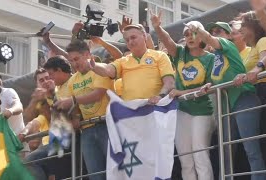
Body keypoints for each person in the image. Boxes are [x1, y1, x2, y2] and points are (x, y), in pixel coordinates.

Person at [187, 22, 266, 180]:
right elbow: (215, 79)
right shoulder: (214, 57)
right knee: (226, 153)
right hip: (226, 108)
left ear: (229, 35)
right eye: (212, 30)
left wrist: (197, 28)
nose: (214, 33)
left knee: (251, 150)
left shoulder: (227, 45)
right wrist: (209, 85)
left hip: (244, 99)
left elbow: (209, 39)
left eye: (219, 30)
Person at [151, 11, 215, 180]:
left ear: (202, 36)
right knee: (186, 160)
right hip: (182, 111)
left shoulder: (211, 59)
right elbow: (167, 41)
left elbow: (207, 88)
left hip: (202, 111)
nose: (190, 37)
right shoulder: (180, 53)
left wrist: (180, 92)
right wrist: (157, 27)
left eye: (194, 33)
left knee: (200, 157)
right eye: (186, 34)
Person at [53, 39, 115, 180]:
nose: (74, 64)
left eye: (76, 59)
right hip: (86, 130)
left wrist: (73, 101)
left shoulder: (101, 69)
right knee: (95, 175)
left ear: (87, 54)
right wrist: (74, 116)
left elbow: (98, 95)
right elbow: (73, 107)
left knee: (115, 170)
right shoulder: (72, 80)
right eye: (71, 61)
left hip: (107, 125)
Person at [236, 11, 266, 162]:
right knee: (264, 141)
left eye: (243, 25)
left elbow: (264, 62)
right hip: (259, 92)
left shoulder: (263, 40)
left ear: (254, 25)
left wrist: (248, 74)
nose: (240, 29)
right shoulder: (252, 48)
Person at [90, 24, 175, 103]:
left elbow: (169, 82)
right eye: (127, 40)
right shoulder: (123, 61)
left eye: (133, 37)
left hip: (155, 109)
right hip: (131, 114)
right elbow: (107, 70)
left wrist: (160, 97)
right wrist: (93, 65)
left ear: (144, 36)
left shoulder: (160, 56)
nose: (130, 42)